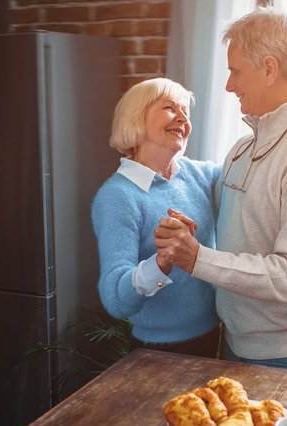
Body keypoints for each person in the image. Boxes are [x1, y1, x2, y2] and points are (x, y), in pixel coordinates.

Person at [154, 6, 287, 374]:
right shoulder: (243, 149)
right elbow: (235, 223)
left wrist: (196, 258)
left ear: (269, 68)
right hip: (234, 340)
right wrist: (190, 223)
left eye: (235, 71)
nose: (229, 85)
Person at [91, 77, 221, 358]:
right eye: (169, 107)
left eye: (185, 111)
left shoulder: (198, 174)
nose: (182, 117)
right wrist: (163, 260)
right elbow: (115, 299)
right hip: (160, 352)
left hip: (217, 338)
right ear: (137, 118)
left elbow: (248, 176)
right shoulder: (118, 196)